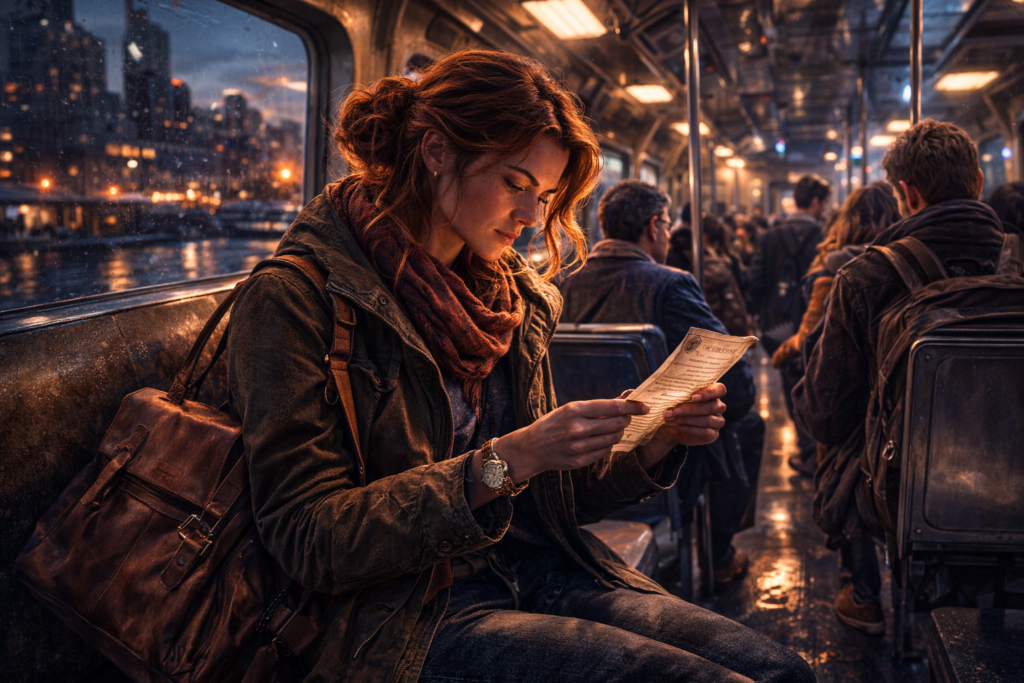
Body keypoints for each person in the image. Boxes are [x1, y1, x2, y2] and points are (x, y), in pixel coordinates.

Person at [226, 51, 815, 683]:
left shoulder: (507, 299)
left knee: (780, 670)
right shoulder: (298, 298)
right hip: (409, 615)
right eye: (515, 184)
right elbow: (306, 538)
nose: (533, 217)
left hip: (537, 567)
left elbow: (553, 502)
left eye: (545, 196)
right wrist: (507, 460)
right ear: (434, 151)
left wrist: (654, 442)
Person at [793, 119, 1006, 635]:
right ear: (979, 182)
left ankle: (864, 593)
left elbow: (824, 413)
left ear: (907, 195)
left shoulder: (867, 276)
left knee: (840, 447)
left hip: (906, 489)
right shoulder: (1016, 261)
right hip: (1012, 480)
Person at [557, 179, 766, 591]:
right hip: (649, 459)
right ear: (654, 227)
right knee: (746, 425)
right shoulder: (670, 284)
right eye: (667, 226)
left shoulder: (558, 281)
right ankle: (719, 555)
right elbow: (739, 387)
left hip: (571, 452)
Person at [770, 183, 900, 479]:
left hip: (849, 404)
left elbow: (810, 338)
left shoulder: (834, 268)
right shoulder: (905, 261)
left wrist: (780, 353)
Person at [749, 174, 830, 474]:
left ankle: (805, 446)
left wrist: (761, 315)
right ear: (816, 202)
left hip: (778, 324)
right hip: (815, 321)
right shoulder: (824, 236)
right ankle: (818, 450)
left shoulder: (769, 237)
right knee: (818, 381)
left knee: (790, 381)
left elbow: (756, 280)